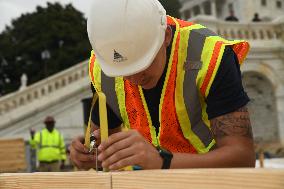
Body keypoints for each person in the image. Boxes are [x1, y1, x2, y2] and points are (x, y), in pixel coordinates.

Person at [70, 0, 255, 171]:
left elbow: (242, 158)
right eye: (122, 70)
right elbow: (102, 139)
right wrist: (90, 153)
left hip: (208, 180)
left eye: (142, 63)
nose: (134, 78)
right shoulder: (102, 69)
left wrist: (162, 162)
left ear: (166, 36)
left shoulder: (211, 56)